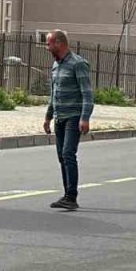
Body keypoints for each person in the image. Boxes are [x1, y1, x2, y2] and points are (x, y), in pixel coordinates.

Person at [42, 29, 94, 210]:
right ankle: (66, 195)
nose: (46, 47)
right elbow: (53, 94)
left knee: (68, 154)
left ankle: (72, 196)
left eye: (48, 43)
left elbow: (87, 94)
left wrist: (85, 118)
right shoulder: (56, 66)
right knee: (61, 156)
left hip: (73, 117)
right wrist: (48, 117)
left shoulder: (78, 64)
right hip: (59, 118)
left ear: (59, 43)